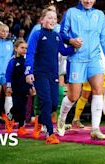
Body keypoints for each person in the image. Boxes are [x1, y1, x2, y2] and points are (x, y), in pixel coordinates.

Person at [58, 0, 105, 140]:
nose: (88, 1)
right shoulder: (71, 13)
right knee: (73, 96)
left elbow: (104, 38)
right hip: (76, 58)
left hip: (94, 58)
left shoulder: (100, 15)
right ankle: (61, 120)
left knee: (98, 91)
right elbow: (62, 34)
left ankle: (95, 129)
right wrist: (71, 41)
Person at [25, 8, 74, 144]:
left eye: (54, 18)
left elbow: (64, 51)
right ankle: (50, 134)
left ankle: (40, 120)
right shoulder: (37, 34)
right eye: (49, 18)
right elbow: (30, 53)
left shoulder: (57, 36)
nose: (52, 20)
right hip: (40, 74)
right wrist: (28, 72)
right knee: (46, 102)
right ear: (42, 20)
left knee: (53, 104)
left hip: (54, 74)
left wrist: (76, 46)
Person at [71, 50, 105, 130]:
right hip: (92, 69)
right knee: (85, 96)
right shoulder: (92, 40)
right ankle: (76, 119)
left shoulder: (104, 41)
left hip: (104, 70)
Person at [5, 40, 34, 136]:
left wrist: (32, 86)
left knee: (24, 108)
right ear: (16, 48)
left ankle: (21, 127)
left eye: (26, 48)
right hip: (15, 88)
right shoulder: (12, 61)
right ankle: (9, 118)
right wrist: (9, 86)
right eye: (22, 48)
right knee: (17, 106)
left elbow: (30, 75)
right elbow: (8, 74)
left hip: (25, 88)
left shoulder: (27, 61)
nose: (24, 50)